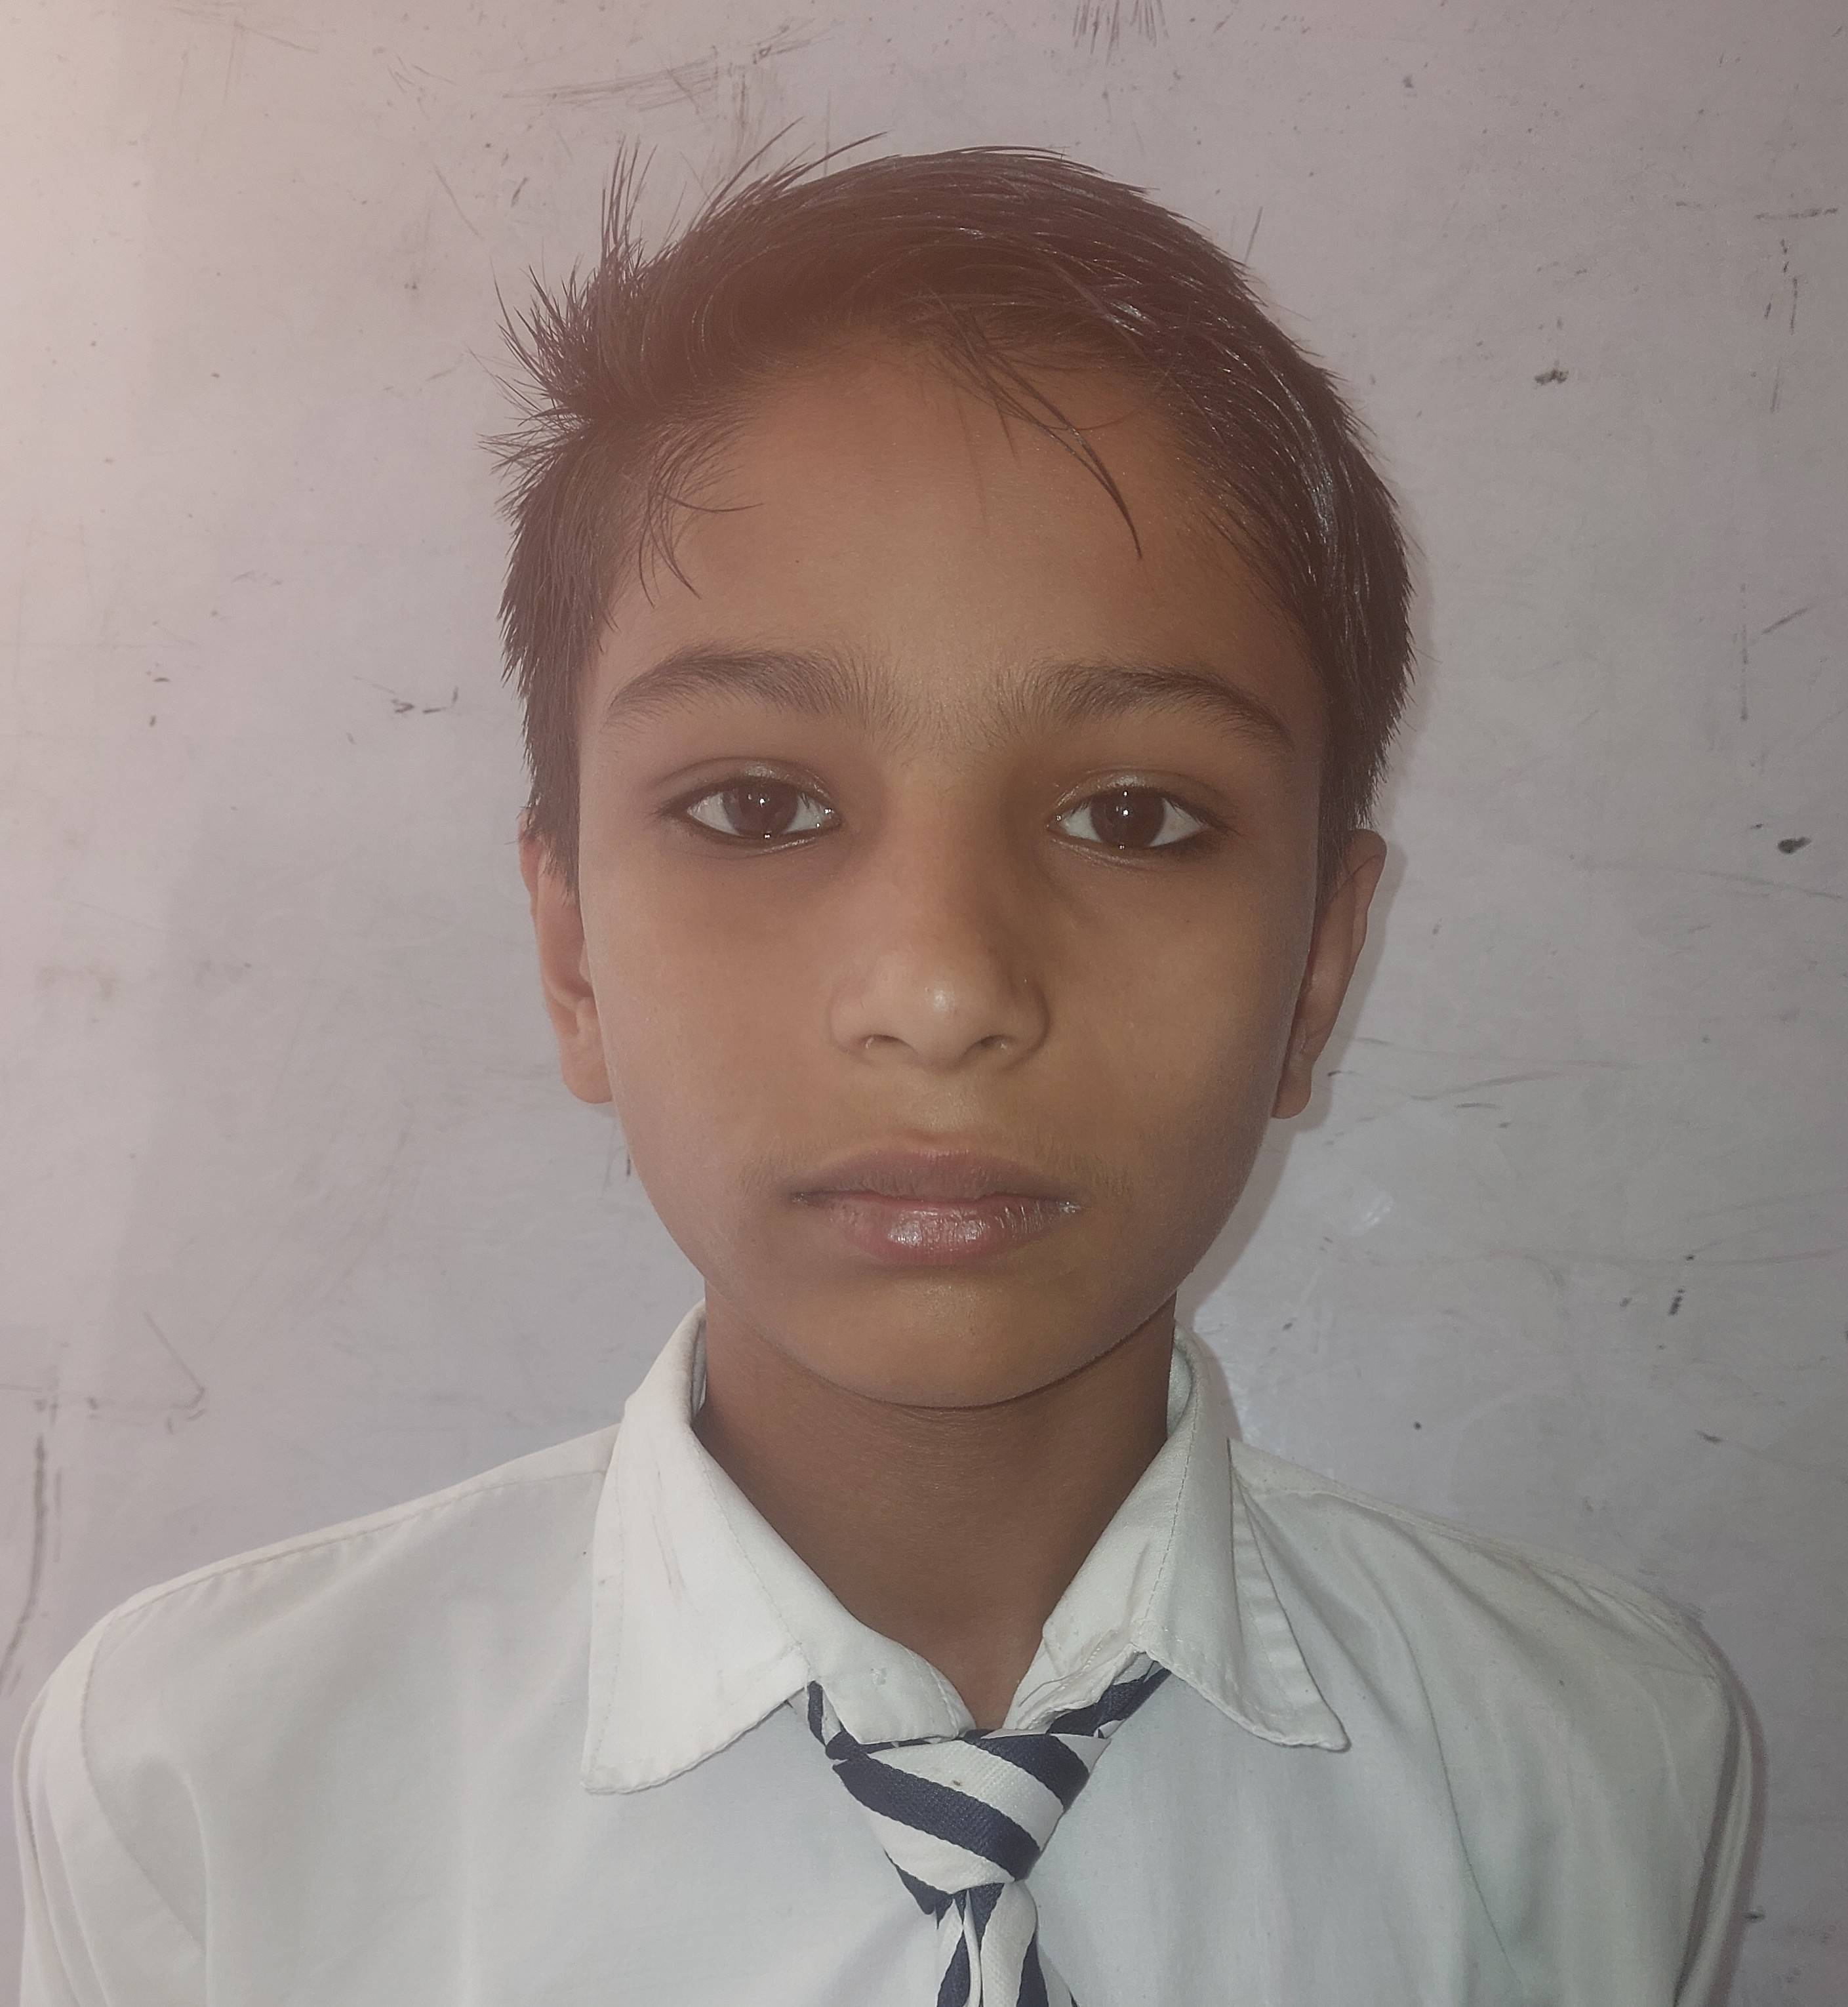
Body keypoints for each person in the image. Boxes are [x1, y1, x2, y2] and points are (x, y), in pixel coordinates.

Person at [13, 146, 1755, 2005]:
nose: (940, 992)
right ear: (572, 948)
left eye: (1133, 815)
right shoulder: (209, 1785)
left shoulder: (1595, 1765)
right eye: (758, 807)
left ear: (1317, 967)